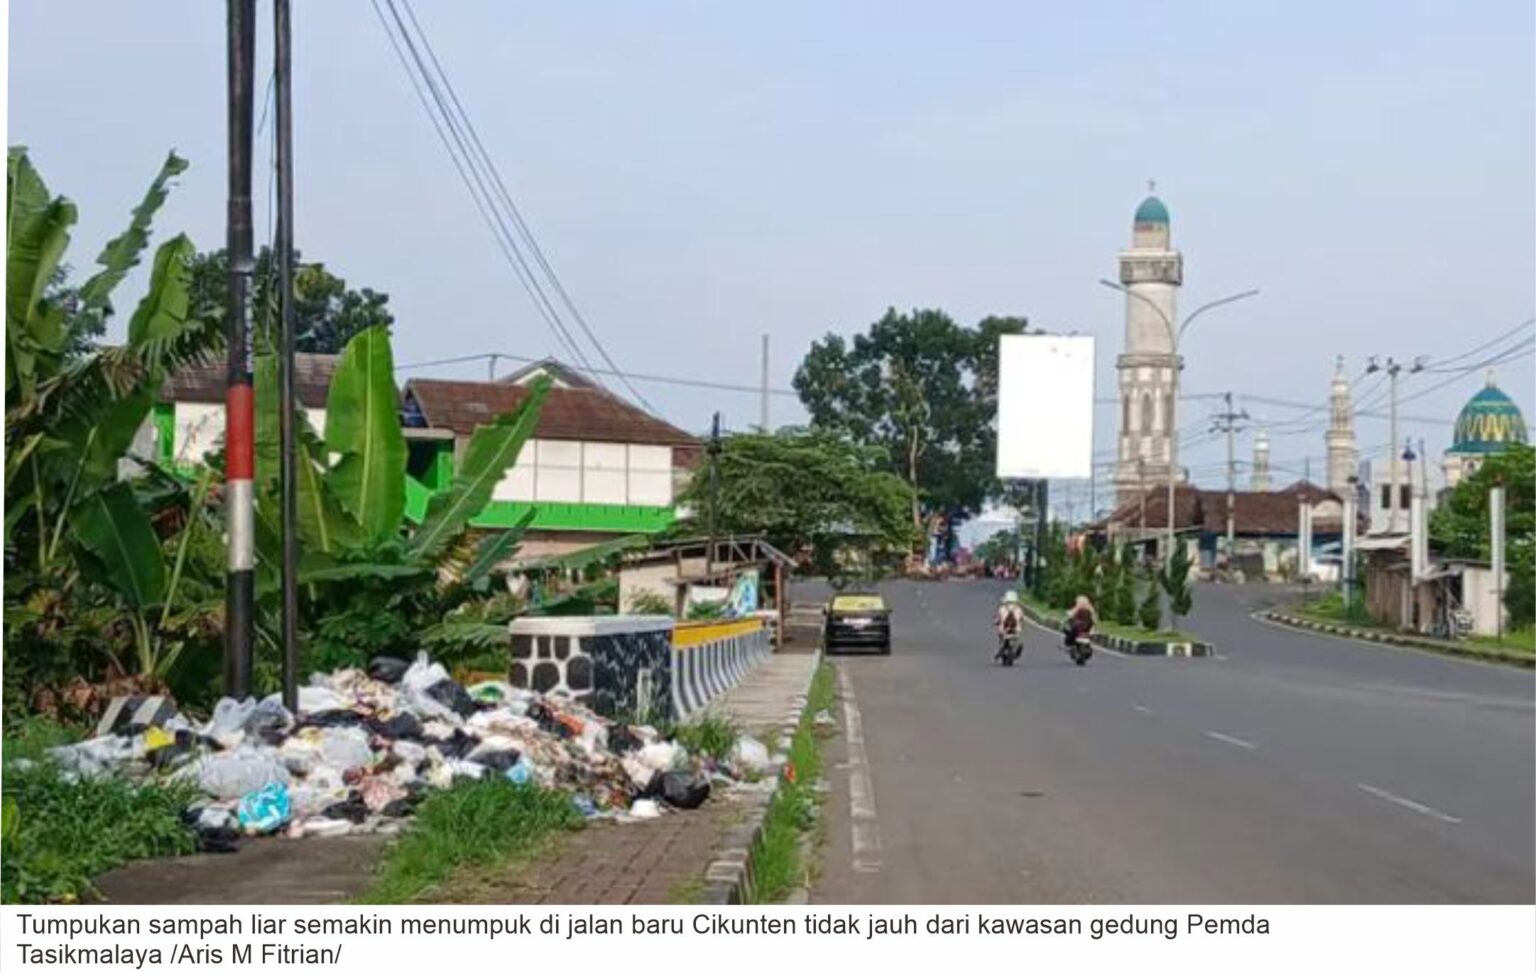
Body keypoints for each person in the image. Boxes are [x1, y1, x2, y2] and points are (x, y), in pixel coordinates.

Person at [996, 590, 1025, 659]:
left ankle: (1001, 648)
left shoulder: (1001, 609)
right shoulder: (1019, 609)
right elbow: (1022, 619)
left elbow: (998, 619)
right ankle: (1012, 649)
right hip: (1015, 630)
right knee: (1016, 638)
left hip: (1004, 630)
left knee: (1001, 635)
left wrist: (996, 622)